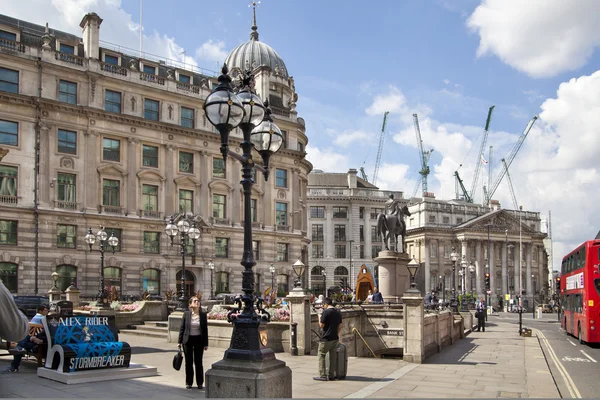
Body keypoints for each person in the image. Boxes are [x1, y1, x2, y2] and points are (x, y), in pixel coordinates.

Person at [1, 305, 48, 374]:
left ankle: (14, 366)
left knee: (21, 344)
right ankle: (19, 351)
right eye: (46, 310)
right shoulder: (43, 320)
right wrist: (33, 338)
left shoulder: (44, 321)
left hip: (40, 345)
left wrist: (41, 340)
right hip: (35, 342)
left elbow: (47, 339)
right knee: (25, 339)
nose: (47, 312)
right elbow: (40, 335)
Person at [178, 296, 209, 389]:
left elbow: (205, 330)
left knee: (199, 362)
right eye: (195, 301)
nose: (197, 302)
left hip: (199, 340)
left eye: (198, 301)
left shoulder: (203, 315)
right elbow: (182, 328)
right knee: (188, 362)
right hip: (187, 340)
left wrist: (206, 343)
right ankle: (189, 382)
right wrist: (179, 342)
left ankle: (200, 382)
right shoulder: (186, 314)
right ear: (190, 304)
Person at [313, 297, 342, 381]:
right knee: (333, 357)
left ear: (326, 304)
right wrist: (337, 334)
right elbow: (340, 326)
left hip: (326, 338)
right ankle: (331, 375)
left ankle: (322, 375)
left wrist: (319, 317)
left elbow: (321, 325)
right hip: (335, 338)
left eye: (323, 305)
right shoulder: (337, 312)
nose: (323, 306)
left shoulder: (326, 312)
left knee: (321, 354)